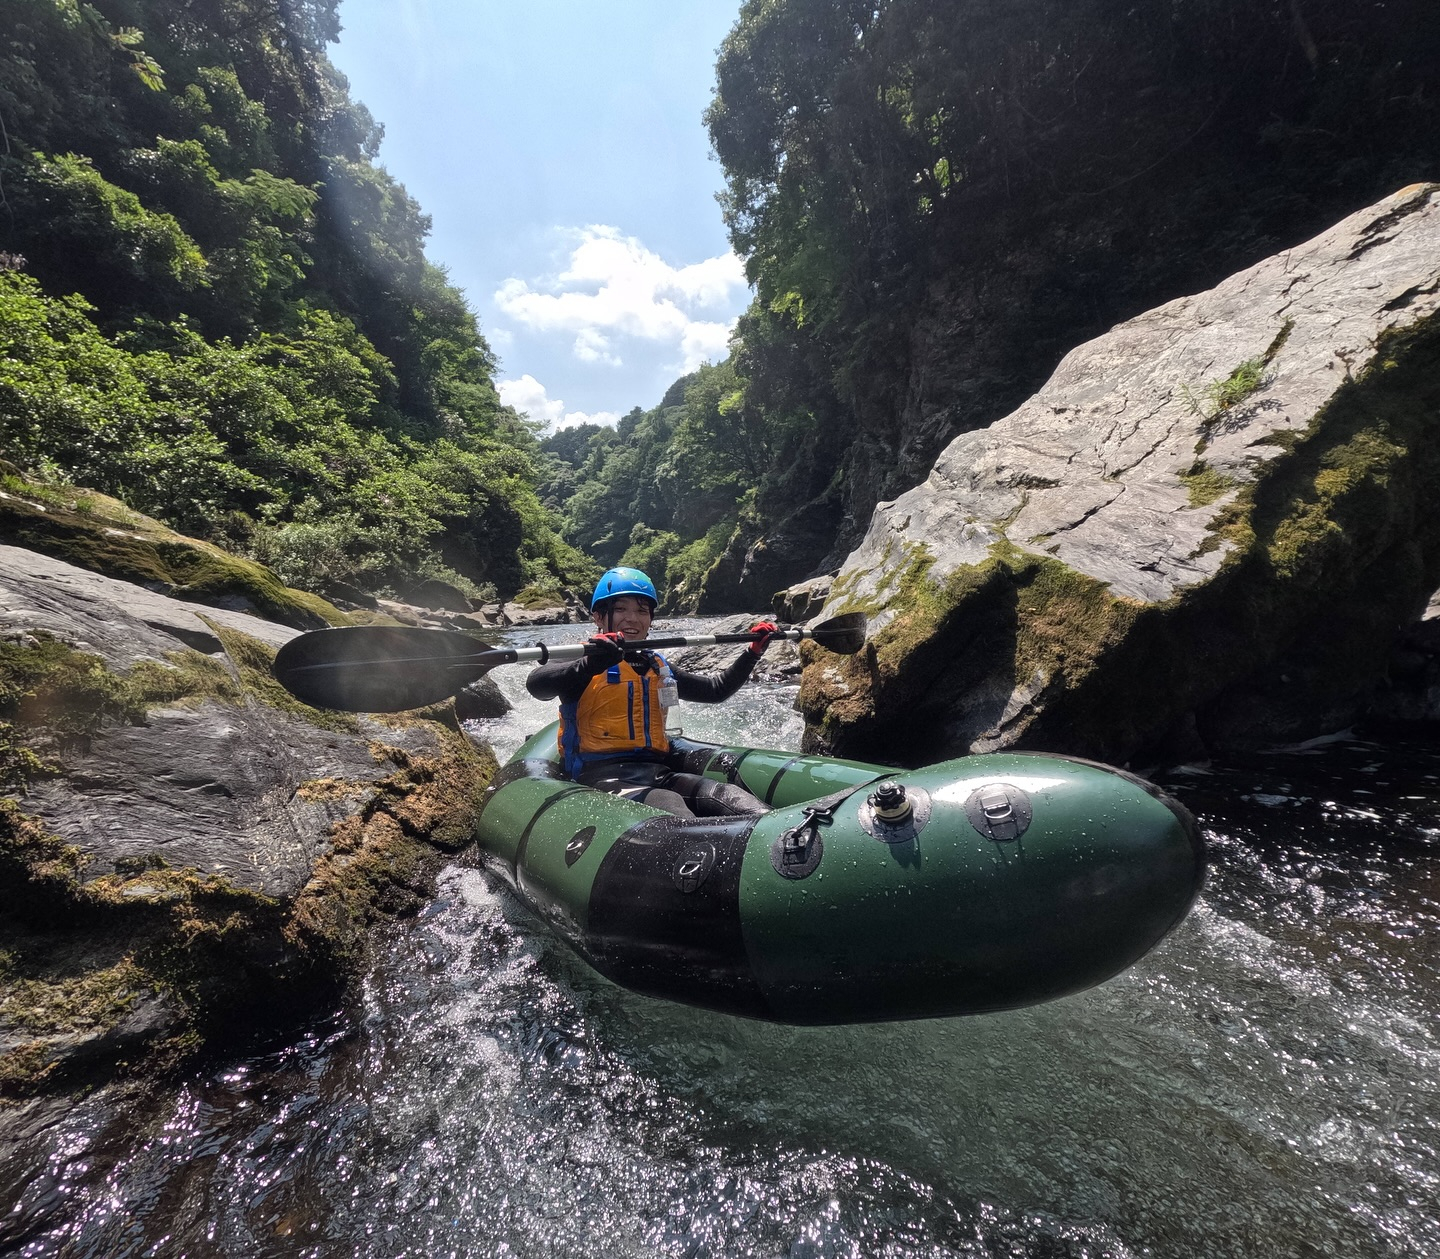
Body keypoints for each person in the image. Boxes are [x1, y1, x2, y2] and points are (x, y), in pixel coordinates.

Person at [524, 566, 779, 819]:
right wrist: (590, 664)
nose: (632, 618)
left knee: (726, 796)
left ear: (650, 620)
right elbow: (537, 685)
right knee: (671, 804)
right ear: (599, 617)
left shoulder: (657, 666)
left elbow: (715, 690)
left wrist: (753, 653)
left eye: (641, 611)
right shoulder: (582, 657)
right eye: (621, 609)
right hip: (598, 777)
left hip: (657, 771)